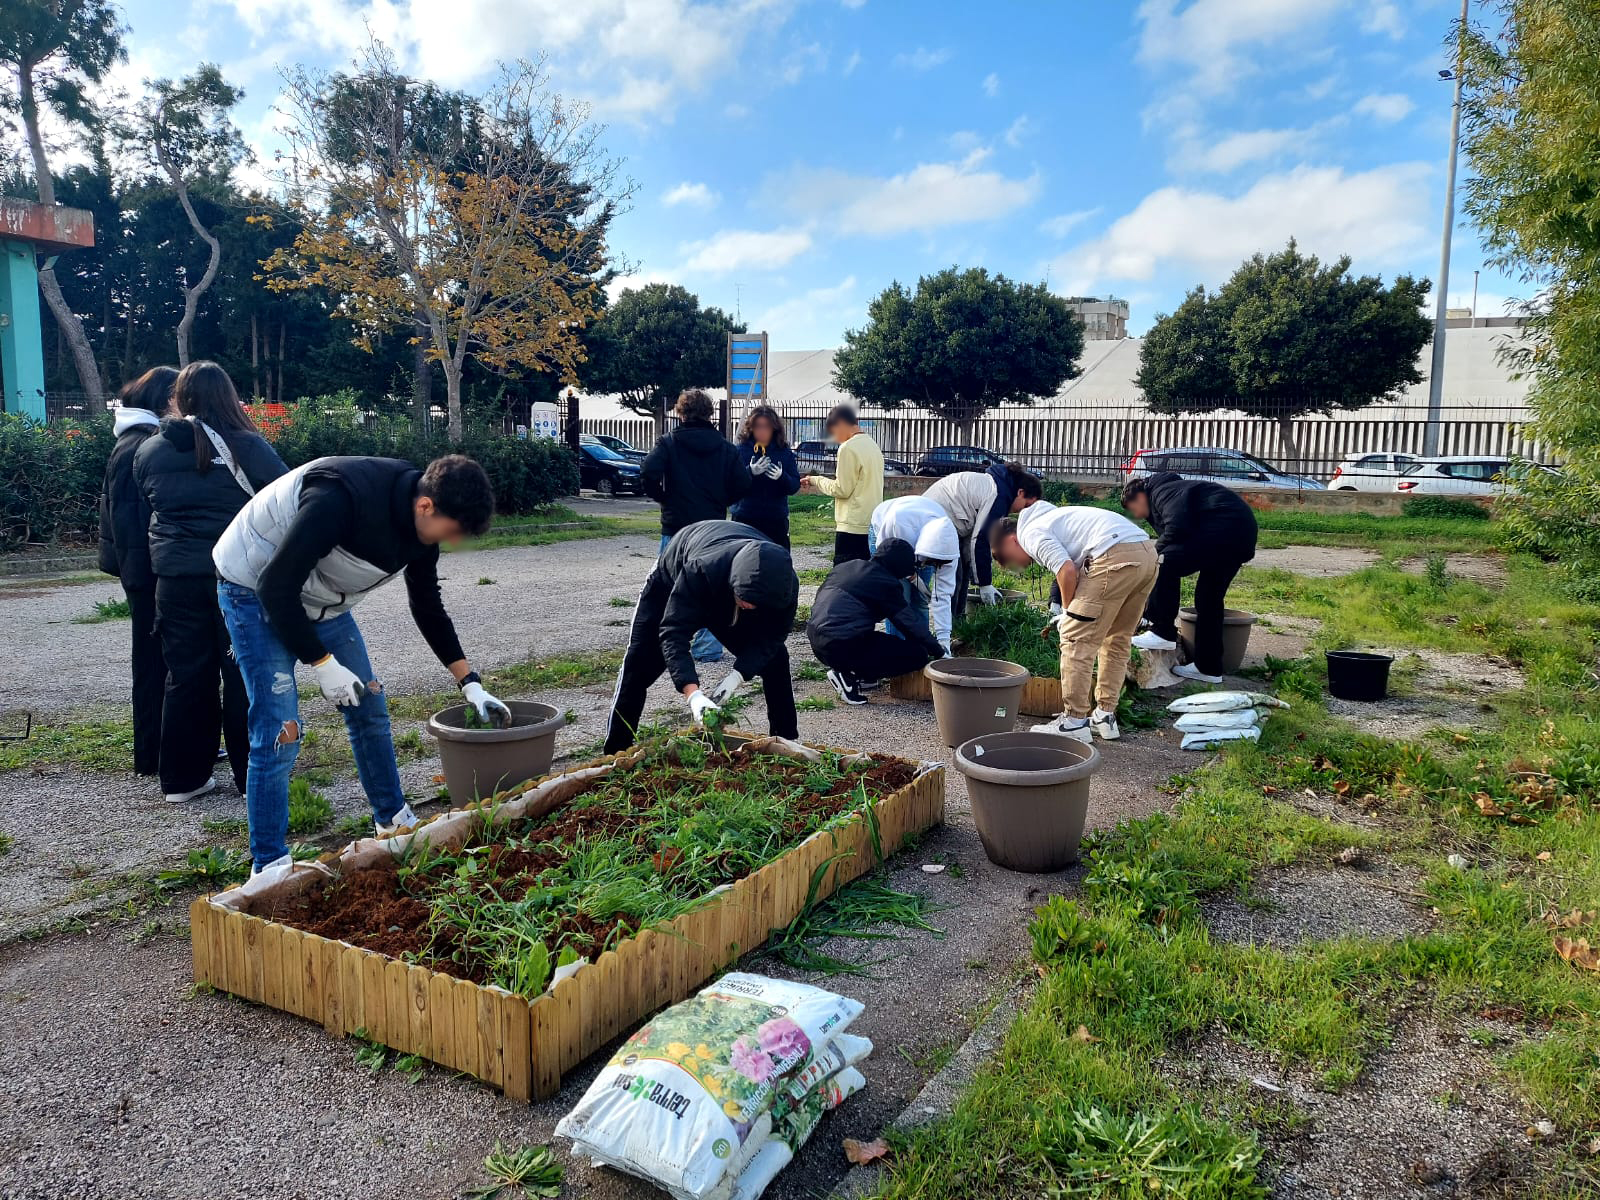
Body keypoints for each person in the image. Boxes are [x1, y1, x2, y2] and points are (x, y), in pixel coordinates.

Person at [213, 454, 510, 876]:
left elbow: (427, 605)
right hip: (252, 586)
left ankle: (391, 820)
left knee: (369, 707)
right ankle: (268, 864)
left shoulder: (420, 529)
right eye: (455, 530)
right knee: (279, 730)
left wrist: (470, 683)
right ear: (426, 506)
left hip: (320, 598)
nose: (455, 542)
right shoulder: (340, 498)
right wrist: (322, 662)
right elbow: (276, 585)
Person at [135, 362, 287, 804]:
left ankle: (183, 779)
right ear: (227, 396)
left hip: (174, 579)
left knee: (184, 676)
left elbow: (149, 498)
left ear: (180, 398)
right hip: (235, 576)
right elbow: (285, 495)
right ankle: (251, 775)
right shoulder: (248, 446)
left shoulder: (150, 450)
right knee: (242, 674)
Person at [604, 520, 798, 753]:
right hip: (672, 580)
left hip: (731, 588)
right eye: (745, 599)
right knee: (638, 664)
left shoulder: (784, 586)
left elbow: (773, 637)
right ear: (734, 583)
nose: (749, 606)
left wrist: (737, 675)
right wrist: (693, 694)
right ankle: (616, 752)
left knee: (775, 660)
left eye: (755, 604)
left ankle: (786, 743)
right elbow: (674, 632)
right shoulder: (700, 569)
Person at [990, 501, 1157, 744]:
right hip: (1147, 554)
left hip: (1114, 555)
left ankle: (1074, 722)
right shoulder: (1056, 520)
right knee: (1117, 638)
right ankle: (1105, 716)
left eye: (1007, 558)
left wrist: (1068, 613)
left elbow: (1066, 571)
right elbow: (1075, 573)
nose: (1019, 566)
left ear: (1011, 540)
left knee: (1075, 639)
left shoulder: (1031, 533)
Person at [98, 366, 178, 778]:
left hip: (143, 569)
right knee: (153, 664)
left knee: (161, 661)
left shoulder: (132, 439)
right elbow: (132, 519)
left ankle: (167, 746)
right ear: (165, 400)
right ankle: (153, 753)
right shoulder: (141, 444)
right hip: (148, 573)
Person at [642, 388, 751, 662]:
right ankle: (707, 648)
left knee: (668, 586)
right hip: (712, 529)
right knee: (712, 588)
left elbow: (647, 472)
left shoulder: (668, 443)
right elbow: (743, 483)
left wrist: (664, 498)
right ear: (710, 413)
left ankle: (667, 646)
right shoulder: (725, 448)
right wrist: (723, 500)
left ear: (680, 412)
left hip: (676, 526)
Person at [1121, 472, 1258, 683]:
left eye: (1133, 510)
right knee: (1208, 599)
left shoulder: (1162, 492)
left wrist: (1152, 554)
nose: (1137, 516)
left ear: (1139, 497)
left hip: (1224, 530)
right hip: (1239, 535)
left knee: (1162, 562)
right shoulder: (1176, 490)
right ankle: (1209, 668)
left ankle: (1162, 631)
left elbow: (1177, 527)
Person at [807, 537, 944, 705]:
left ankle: (862, 674)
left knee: (876, 641)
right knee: (916, 654)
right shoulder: (885, 583)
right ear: (900, 565)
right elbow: (909, 623)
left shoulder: (847, 566)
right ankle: (846, 675)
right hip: (842, 644)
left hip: (816, 637)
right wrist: (938, 651)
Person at [924, 461, 1044, 615]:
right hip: (937, 517)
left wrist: (979, 577)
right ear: (1020, 492)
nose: (1022, 511)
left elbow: (973, 541)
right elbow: (981, 540)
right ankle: (948, 630)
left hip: (949, 519)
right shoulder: (998, 495)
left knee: (964, 568)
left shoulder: (999, 488)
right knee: (954, 575)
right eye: (1026, 505)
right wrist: (985, 584)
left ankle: (958, 625)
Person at [867, 495, 959, 656]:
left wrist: (944, 641)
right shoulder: (899, 523)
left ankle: (922, 650)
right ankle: (898, 655)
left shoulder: (948, 549)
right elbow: (886, 556)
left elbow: (942, 596)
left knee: (921, 601)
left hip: (919, 546)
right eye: (930, 562)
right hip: (886, 531)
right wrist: (911, 576)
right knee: (901, 599)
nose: (932, 567)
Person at [801, 404, 884, 565]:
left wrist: (815, 480)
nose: (835, 438)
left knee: (844, 576)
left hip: (851, 525)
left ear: (840, 424)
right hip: (871, 522)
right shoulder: (873, 446)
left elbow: (841, 489)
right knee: (865, 575)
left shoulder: (848, 448)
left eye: (833, 432)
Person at [731, 405, 801, 548]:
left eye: (766, 426)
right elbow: (730, 483)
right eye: (758, 426)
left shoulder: (784, 452)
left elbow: (794, 485)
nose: (762, 431)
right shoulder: (741, 451)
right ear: (751, 427)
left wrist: (782, 477)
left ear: (774, 428)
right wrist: (749, 472)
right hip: (746, 516)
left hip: (775, 518)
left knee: (777, 562)